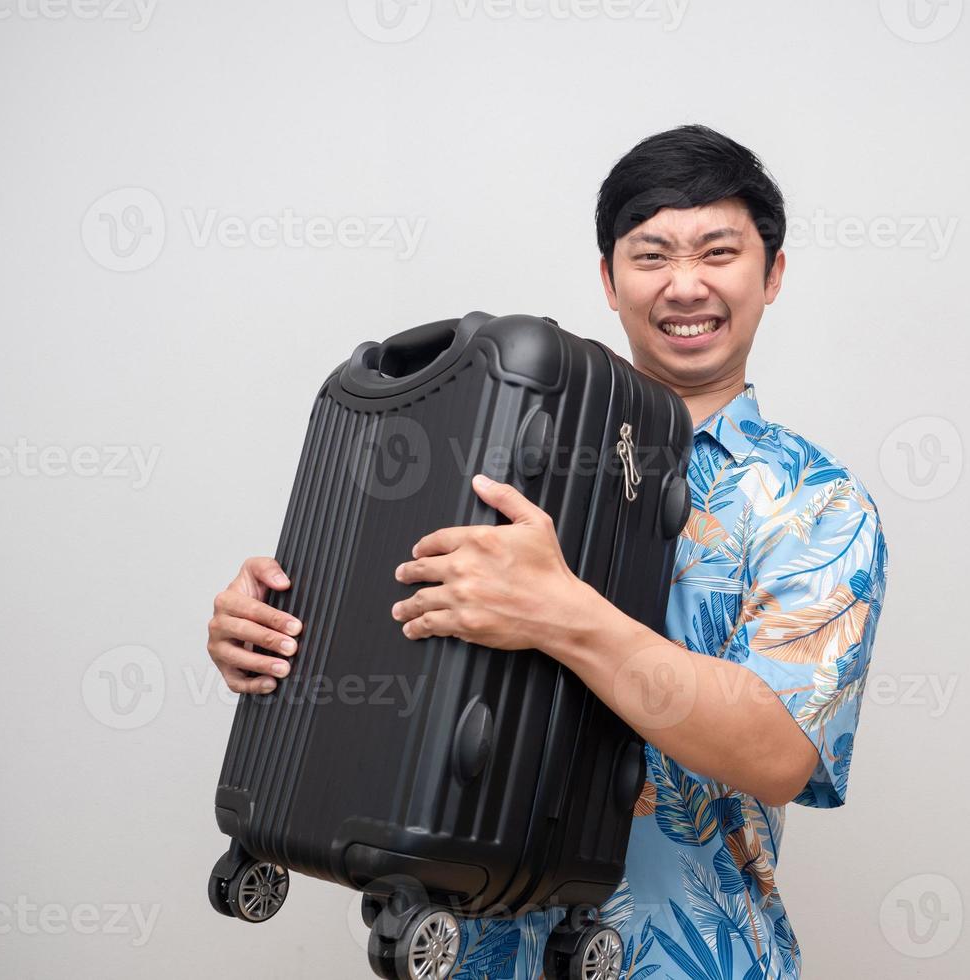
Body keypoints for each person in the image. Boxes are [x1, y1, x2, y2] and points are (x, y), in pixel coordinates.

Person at [206, 123, 889, 979]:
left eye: (718, 252)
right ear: (608, 279)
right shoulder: (500, 437)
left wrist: (563, 614)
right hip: (462, 950)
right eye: (650, 256)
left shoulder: (815, 505)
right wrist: (275, 631)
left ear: (772, 273)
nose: (685, 285)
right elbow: (403, 622)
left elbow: (778, 751)